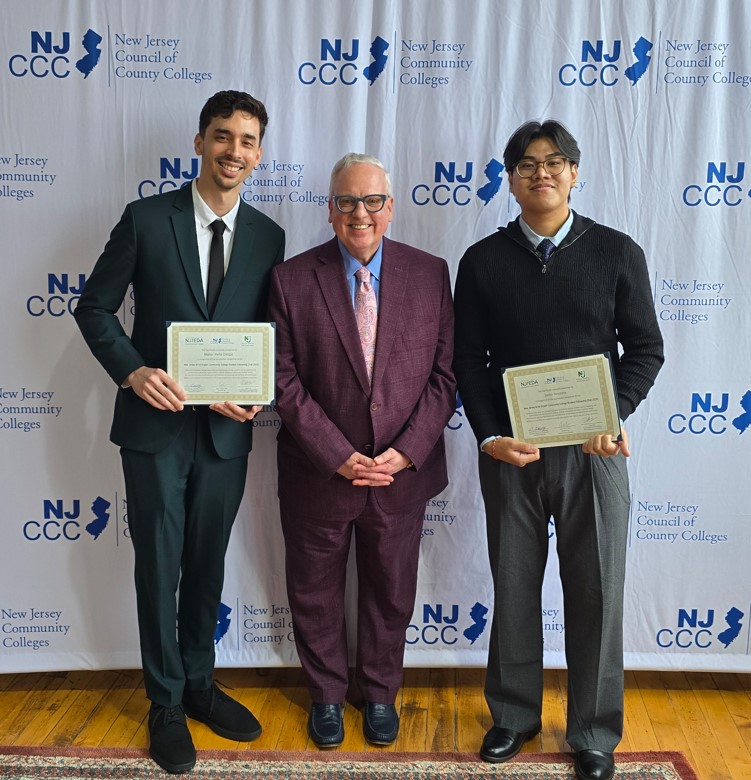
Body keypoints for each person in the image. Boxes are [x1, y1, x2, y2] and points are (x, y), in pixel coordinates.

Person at [74, 90, 285, 774]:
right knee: (158, 567)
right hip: (154, 429)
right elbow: (94, 308)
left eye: (247, 140)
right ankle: (163, 703)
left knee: (207, 565)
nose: (233, 150)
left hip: (224, 436)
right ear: (199, 143)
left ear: (259, 154)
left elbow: (269, 339)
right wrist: (134, 374)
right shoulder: (145, 218)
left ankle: (199, 684)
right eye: (222, 136)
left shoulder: (268, 237)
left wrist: (253, 394)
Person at [453, 120, 663, 780]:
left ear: (574, 172)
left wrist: (614, 414)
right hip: (512, 455)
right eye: (525, 164)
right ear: (509, 179)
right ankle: (512, 718)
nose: (539, 172)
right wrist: (489, 435)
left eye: (554, 162)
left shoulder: (616, 252)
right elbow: (467, 360)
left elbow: (645, 349)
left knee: (596, 593)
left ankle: (594, 732)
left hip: (593, 455)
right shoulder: (481, 261)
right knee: (513, 590)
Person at [267, 153, 456, 749]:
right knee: (314, 590)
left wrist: (403, 453)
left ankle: (379, 694)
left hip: (400, 476)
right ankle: (325, 695)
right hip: (319, 474)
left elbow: (444, 378)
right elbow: (283, 379)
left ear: (390, 208)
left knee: (391, 590)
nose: (360, 213)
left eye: (372, 201)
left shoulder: (431, 274)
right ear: (329, 209)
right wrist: (335, 452)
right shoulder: (291, 278)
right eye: (347, 201)